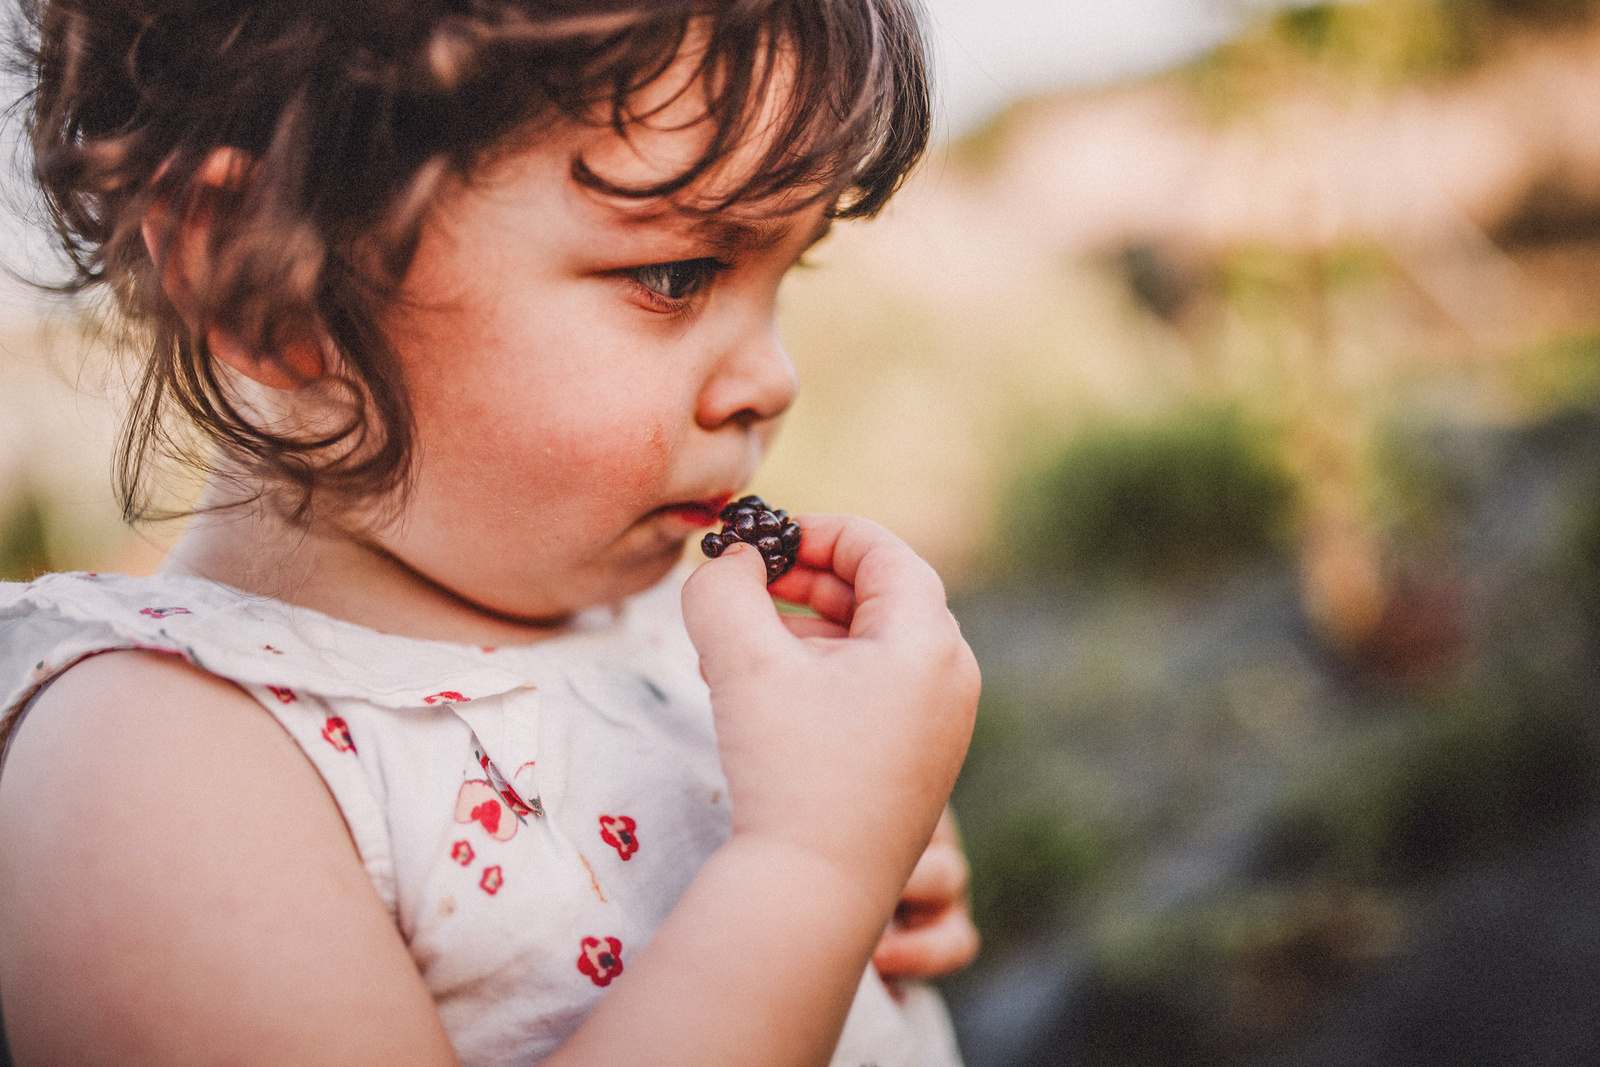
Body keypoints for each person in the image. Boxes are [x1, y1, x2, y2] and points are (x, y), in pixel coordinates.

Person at [0, 1, 981, 1065]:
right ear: (267, 274)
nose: (772, 379)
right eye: (676, 273)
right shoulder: (157, 772)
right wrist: (812, 870)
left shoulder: (651, 621)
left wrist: (871, 845)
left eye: (786, 272)